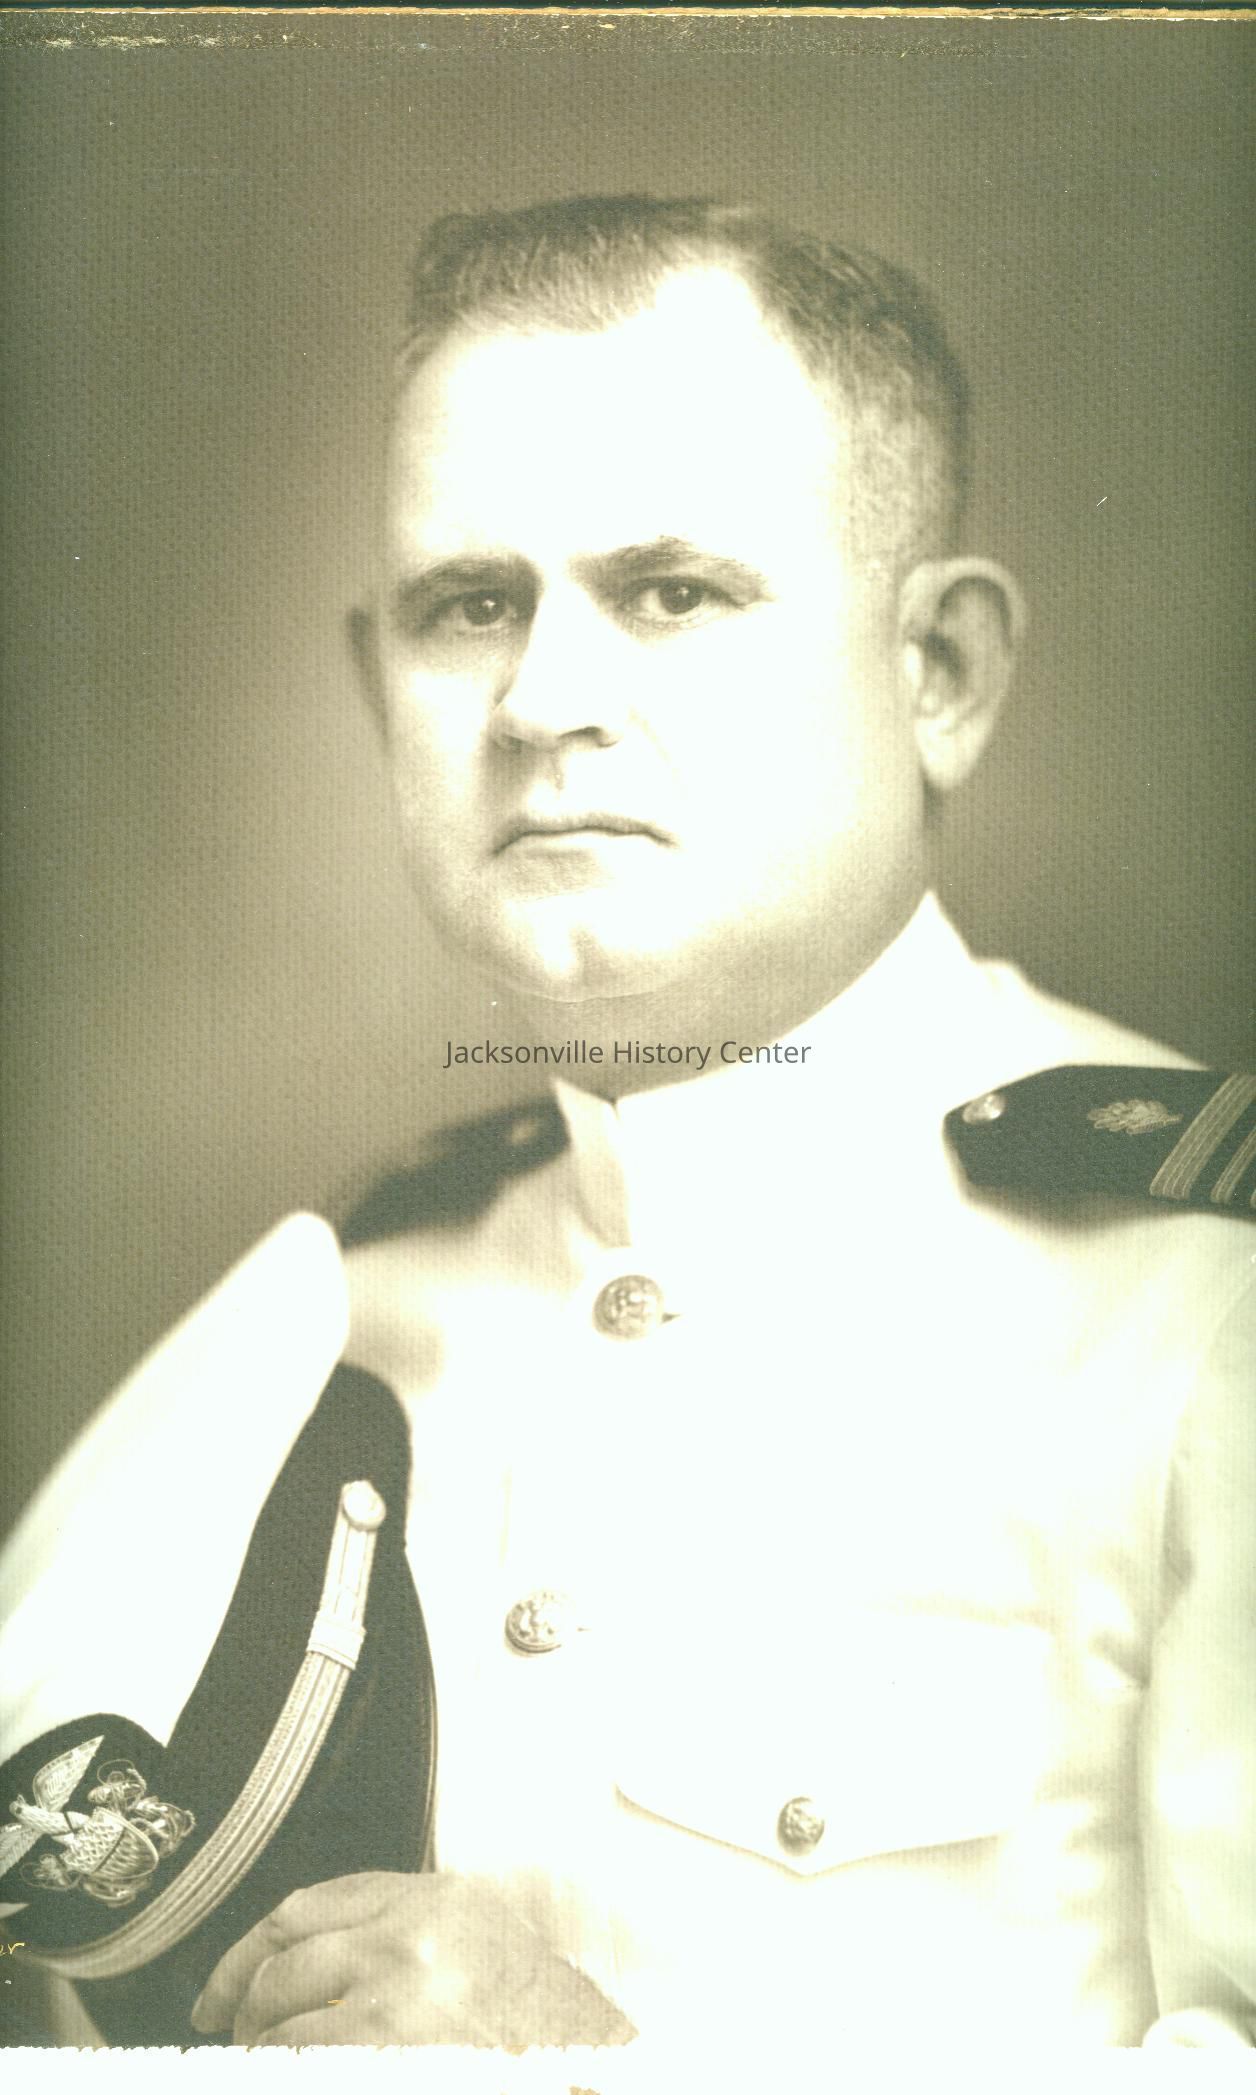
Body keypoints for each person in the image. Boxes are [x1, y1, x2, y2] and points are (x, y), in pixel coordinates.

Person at [1, 196, 1252, 2072]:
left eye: (672, 592)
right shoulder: (332, 1312)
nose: (542, 702)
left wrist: (593, 2069)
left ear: (942, 672)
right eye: (467, 606)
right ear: (376, 692)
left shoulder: (1203, 1314)